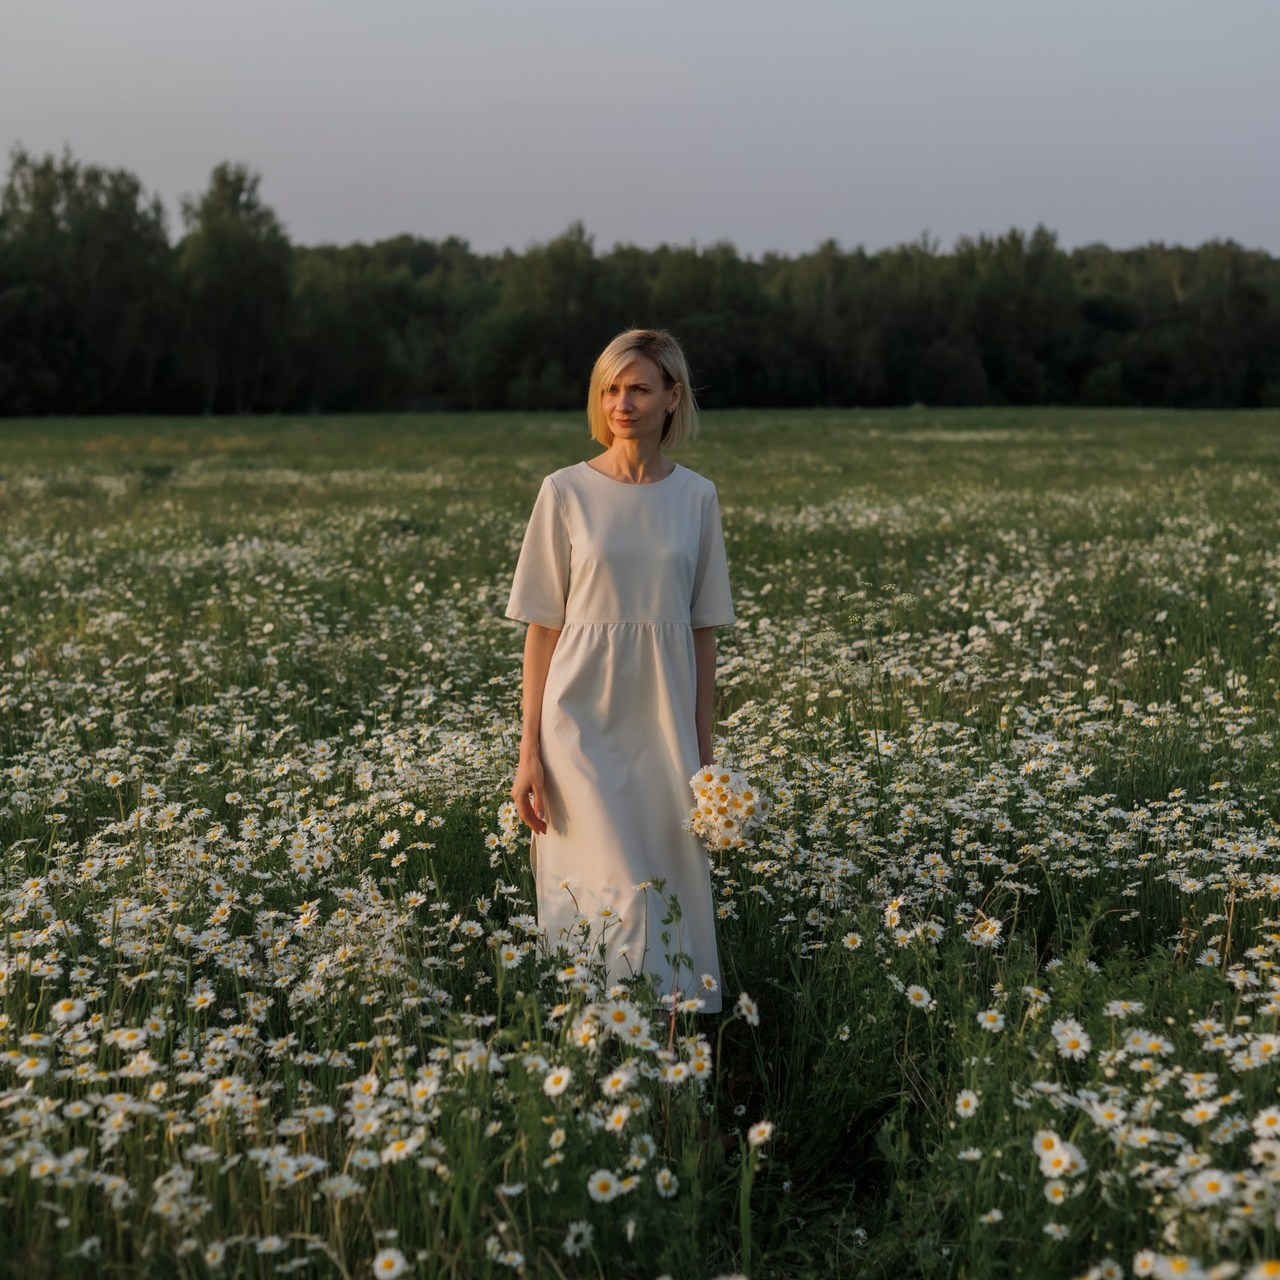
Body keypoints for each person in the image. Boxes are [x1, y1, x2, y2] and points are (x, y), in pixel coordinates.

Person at [506, 328, 735, 1013]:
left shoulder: (697, 498)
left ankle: (664, 1038)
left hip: (663, 720)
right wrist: (528, 753)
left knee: (663, 879)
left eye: (638, 388)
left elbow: (703, 634)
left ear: (673, 396)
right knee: (609, 879)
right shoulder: (564, 492)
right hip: (577, 719)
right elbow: (542, 629)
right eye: (610, 388)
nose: (622, 403)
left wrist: (705, 755)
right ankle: (593, 1025)